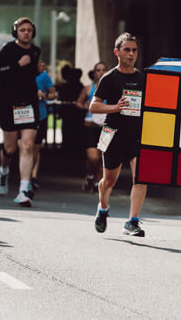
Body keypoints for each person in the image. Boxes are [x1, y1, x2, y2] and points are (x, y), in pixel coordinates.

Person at [89, 33, 147, 237]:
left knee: (141, 178)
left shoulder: (142, 78)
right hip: (113, 134)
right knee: (108, 181)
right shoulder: (109, 77)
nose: (131, 54)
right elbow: (94, 106)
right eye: (127, 50)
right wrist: (115, 107)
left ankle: (132, 221)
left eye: (134, 50)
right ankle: (103, 208)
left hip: (136, 135)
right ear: (117, 52)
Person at [0, 17, 41, 207]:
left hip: (29, 103)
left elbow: (28, 76)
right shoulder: (8, 50)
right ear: (16, 32)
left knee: (28, 145)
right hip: (9, 103)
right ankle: (3, 171)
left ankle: (23, 190)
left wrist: (37, 70)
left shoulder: (36, 51)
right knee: (10, 148)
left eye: (29, 30)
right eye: (22, 30)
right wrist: (18, 64)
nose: (26, 33)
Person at [75, 61, 108, 192]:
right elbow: (78, 102)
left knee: (101, 158)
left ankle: (96, 183)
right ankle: (89, 175)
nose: (101, 72)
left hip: (105, 127)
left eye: (103, 70)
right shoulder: (88, 89)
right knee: (93, 158)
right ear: (94, 73)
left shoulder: (112, 88)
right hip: (90, 126)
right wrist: (84, 106)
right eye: (98, 70)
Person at [30, 61, 57, 192]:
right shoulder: (23, 74)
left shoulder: (44, 77)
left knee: (35, 147)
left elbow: (54, 94)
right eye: (39, 64)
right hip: (24, 115)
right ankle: (24, 176)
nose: (42, 66)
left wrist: (44, 95)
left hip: (40, 115)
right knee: (23, 146)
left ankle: (32, 177)